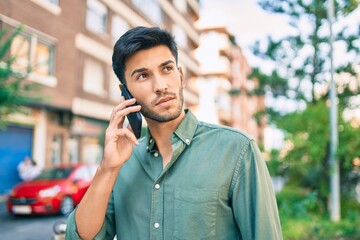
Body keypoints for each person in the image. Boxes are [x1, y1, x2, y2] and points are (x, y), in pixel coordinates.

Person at [65, 26, 282, 240]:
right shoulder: (122, 163)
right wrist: (108, 168)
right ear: (125, 92)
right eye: (143, 76)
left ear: (180, 75)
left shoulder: (237, 151)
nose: (160, 86)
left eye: (167, 69)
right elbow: (80, 237)